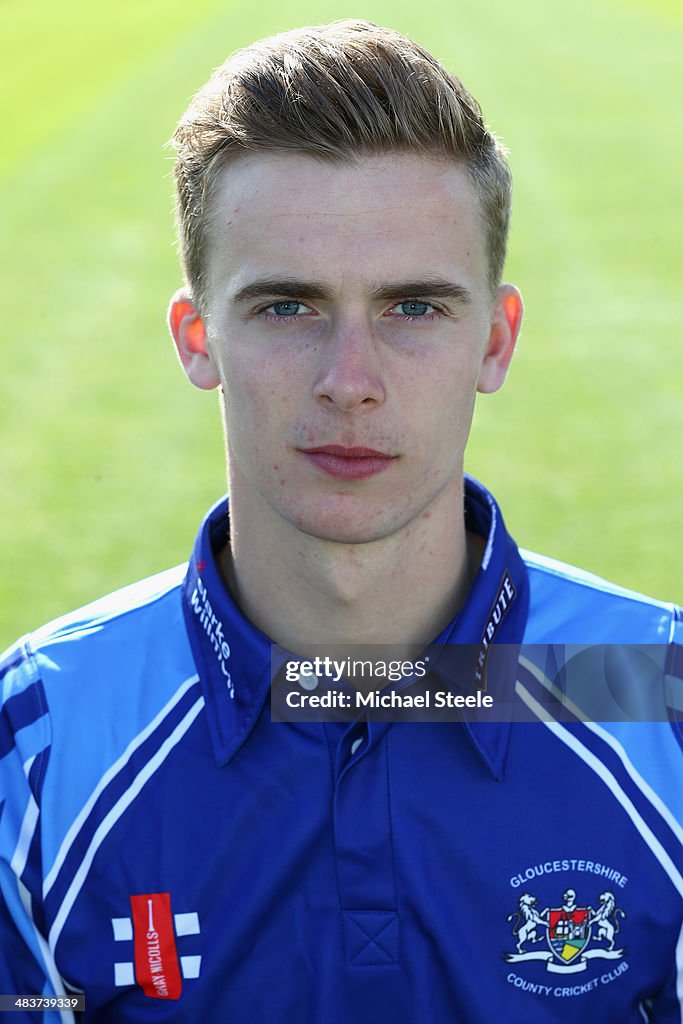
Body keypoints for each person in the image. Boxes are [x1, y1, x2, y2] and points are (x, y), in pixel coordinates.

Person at [0, 20, 681, 1023]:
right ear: (198, 338)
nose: (348, 383)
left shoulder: (658, 700)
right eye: (286, 307)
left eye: (413, 308)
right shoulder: (42, 738)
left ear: (493, 343)